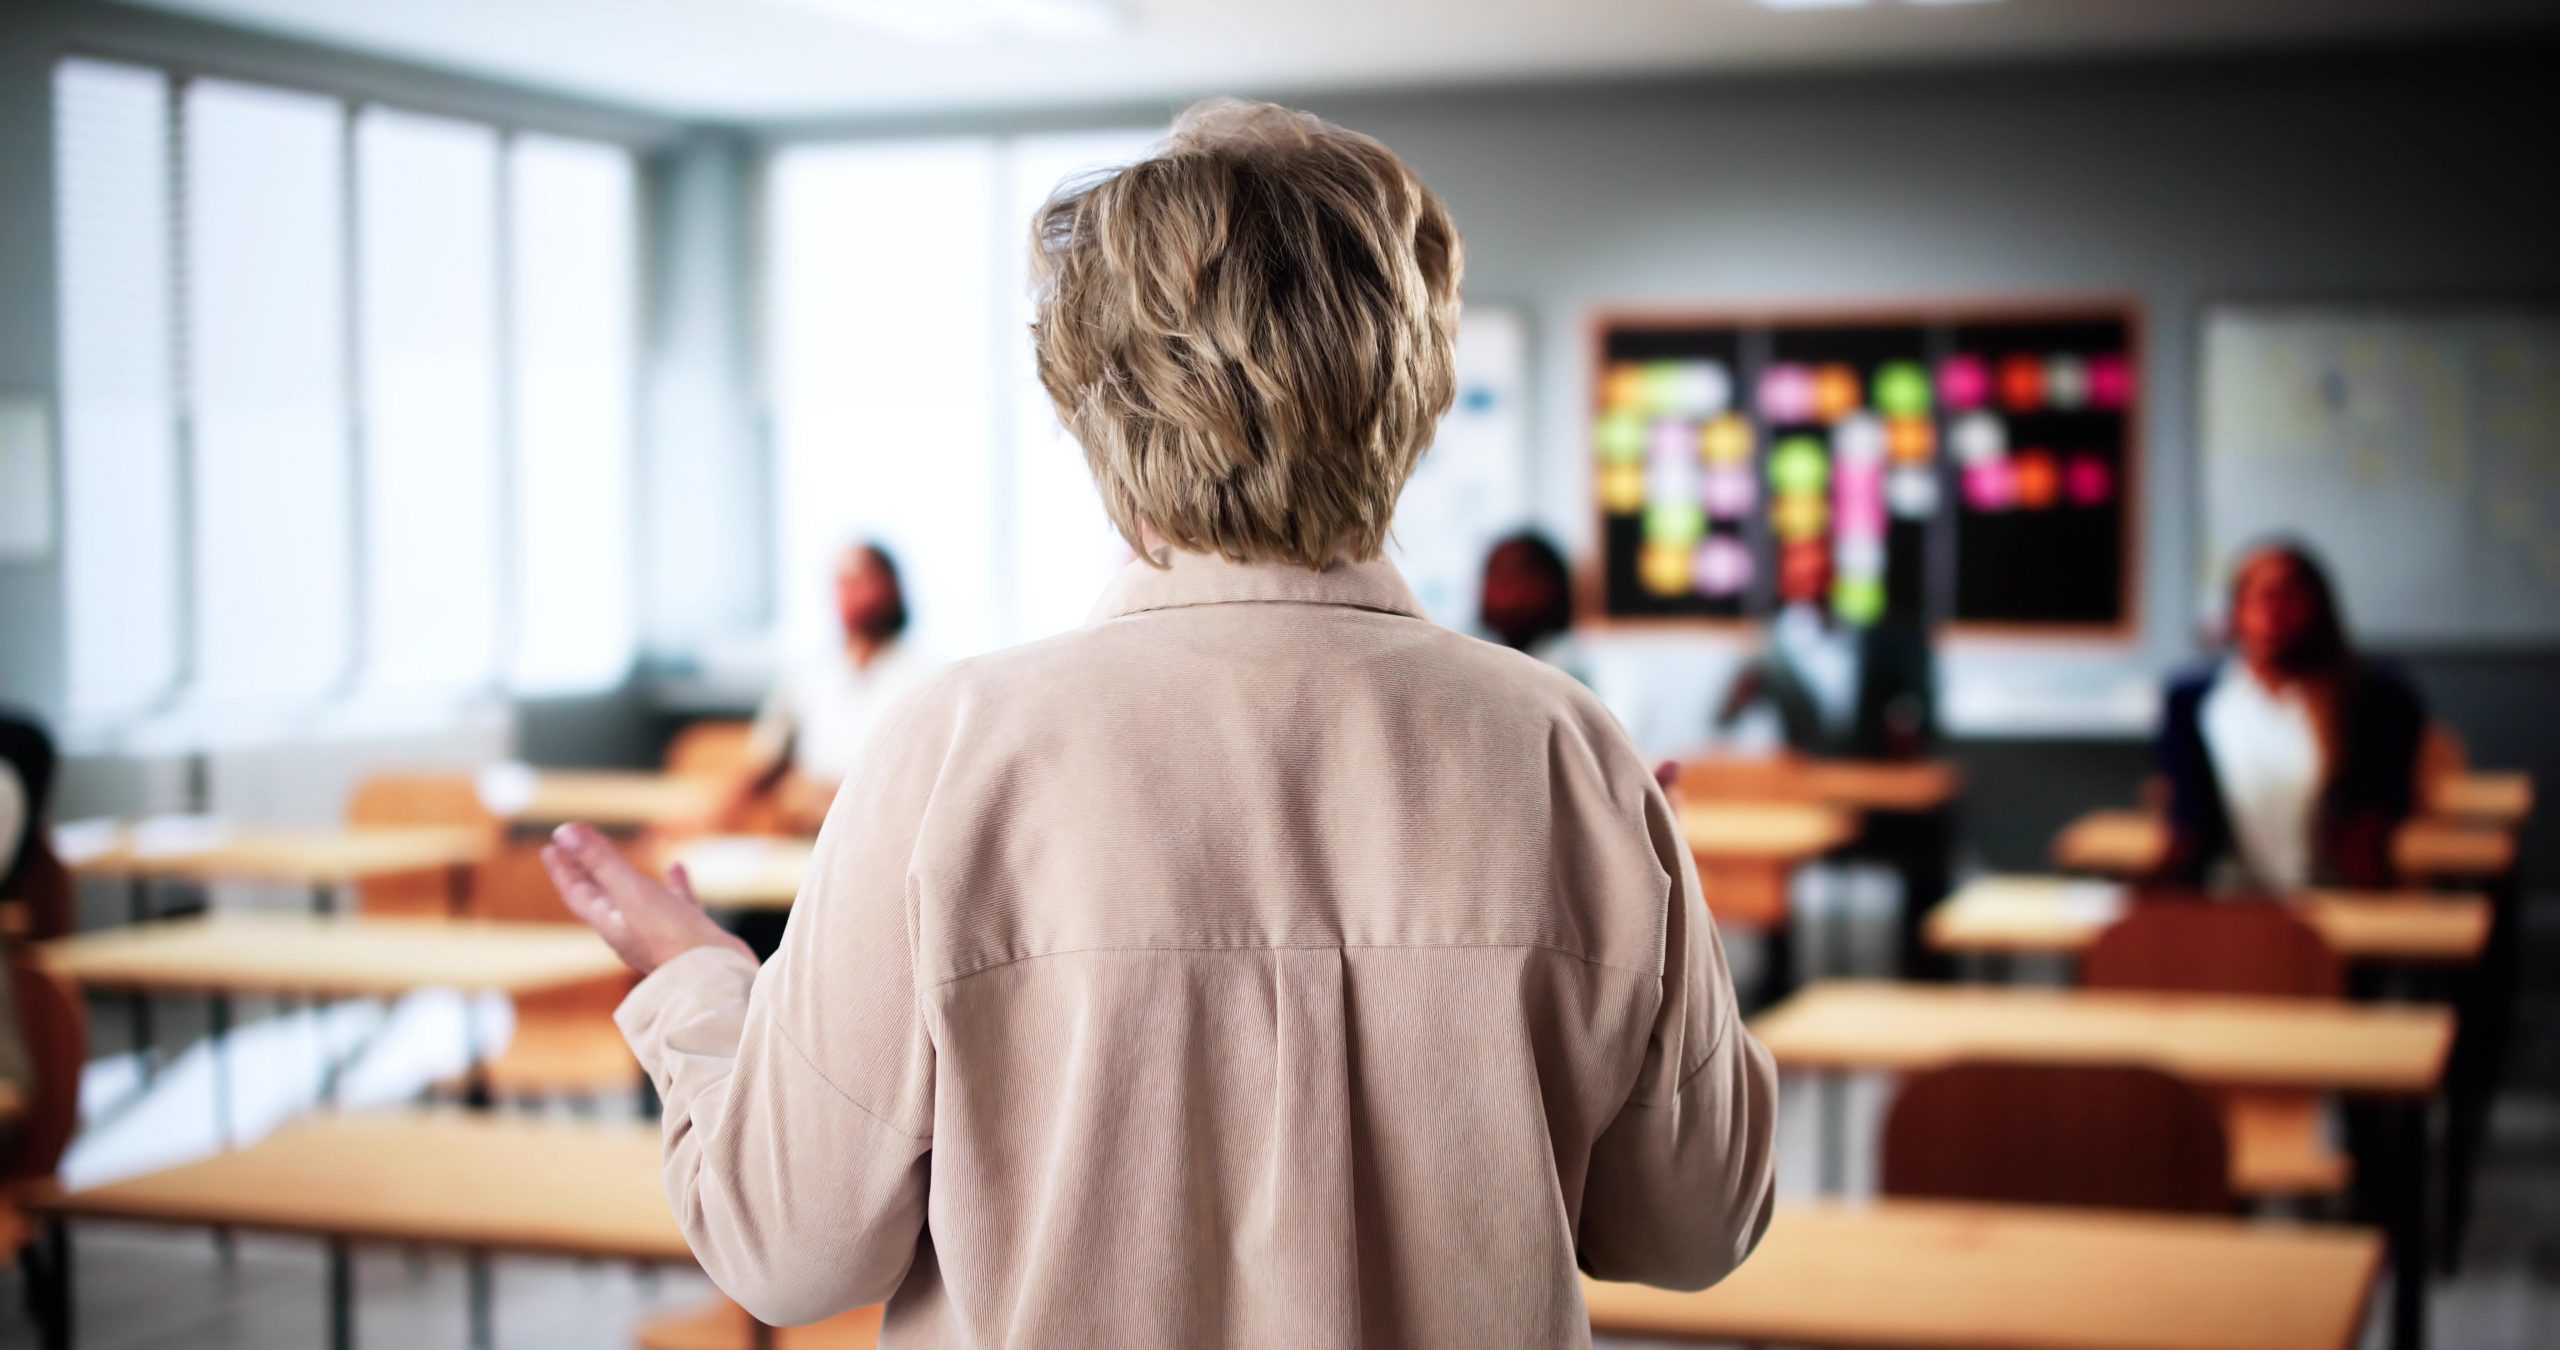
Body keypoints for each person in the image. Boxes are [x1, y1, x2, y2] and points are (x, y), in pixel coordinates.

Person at [544, 99, 1775, 1346]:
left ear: (1096, 408)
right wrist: (1644, 891)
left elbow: (789, 1254)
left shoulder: (958, 747)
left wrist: (700, 987)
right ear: (1412, 386)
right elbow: (1692, 1228)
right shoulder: (1568, 751)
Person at [2158, 540, 2427, 890]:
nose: (2272, 610)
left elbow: (2375, 824)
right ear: (2236, 609)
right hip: (2230, 900)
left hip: (2341, 900)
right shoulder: (2197, 700)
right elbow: (2188, 826)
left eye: (2287, 594)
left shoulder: (2374, 698)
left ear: (2318, 605)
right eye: (2257, 595)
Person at [724, 541, 940, 835]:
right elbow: (764, 762)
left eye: (862, 580)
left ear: (892, 588)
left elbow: (925, 778)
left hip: (884, 827)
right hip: (809, 828)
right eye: (842, 582)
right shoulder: (809, 675)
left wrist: (840, 796)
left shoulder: (926, 677)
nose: (850, 592)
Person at [1711, 593, 1936, 761]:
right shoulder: (1777, 646)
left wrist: (1907, 723)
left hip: (1874, 776)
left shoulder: (1886, 638)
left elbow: (1919, 710)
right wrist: (1740, 693)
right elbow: (1724, 719)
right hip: (1802, 780)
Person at [1477, 530, 1594, 685]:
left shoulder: (1566, 679)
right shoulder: (1477, 667)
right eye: (1491, 572)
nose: (1493, 588)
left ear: (1547, 587)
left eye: (1509, 576)